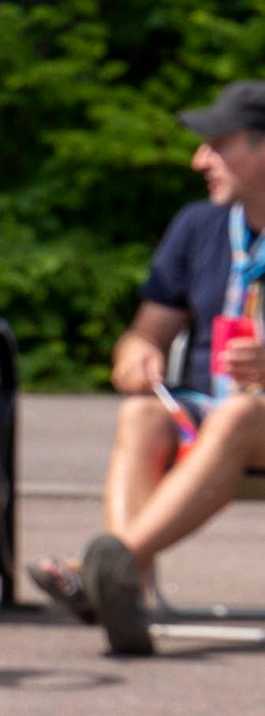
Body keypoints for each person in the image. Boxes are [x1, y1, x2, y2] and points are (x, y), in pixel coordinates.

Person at [32, 82, 265, 654]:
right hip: (211, 412)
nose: (199, 160)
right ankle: (125, 594)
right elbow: (146, 331)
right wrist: (134, 354)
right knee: (140, 414)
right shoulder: (198, 225)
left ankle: (105, 570)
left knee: (237, 415)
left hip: (247, 419)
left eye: (218, 144)